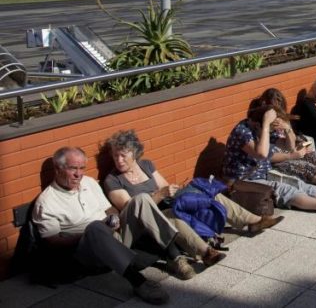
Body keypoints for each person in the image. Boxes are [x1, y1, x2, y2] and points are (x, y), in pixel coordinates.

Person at [102, 130, 283, 267]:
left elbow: (165, 186)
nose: (119, 160)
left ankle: (253, 221)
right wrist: (160, 195)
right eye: (115, 155)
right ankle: (205, 253)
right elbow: (133, 208)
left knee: (209, 195)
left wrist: (174, 190)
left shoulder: (146, 165)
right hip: (148, 220)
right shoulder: (112, 180)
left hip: (166, 204)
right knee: (174, 218)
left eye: (123, 155)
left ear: (134, 153)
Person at [32, 147, 174, 304]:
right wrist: (88, 233)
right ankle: (139, 282)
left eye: (81, 168)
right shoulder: (46, 202)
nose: (78, 174)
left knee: (141, 199)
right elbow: (52, 241)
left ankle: (173, 253)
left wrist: (113, 217)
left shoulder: (89, 183)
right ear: (58, 168)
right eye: (73, 168)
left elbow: (109, 209)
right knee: (94, 228)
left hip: (114, 234)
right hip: (86, 251)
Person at [222, 105, 316, 215]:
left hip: (263, 173)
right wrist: (266, 125)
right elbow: (262, 154)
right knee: (285, 189)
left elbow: (289, 147)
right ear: (259, 124)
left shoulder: (262, 129)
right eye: (269, 128)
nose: (271, 132)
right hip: (243, 180)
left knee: (298, 184)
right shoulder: (242, 132)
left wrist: (287, 128)